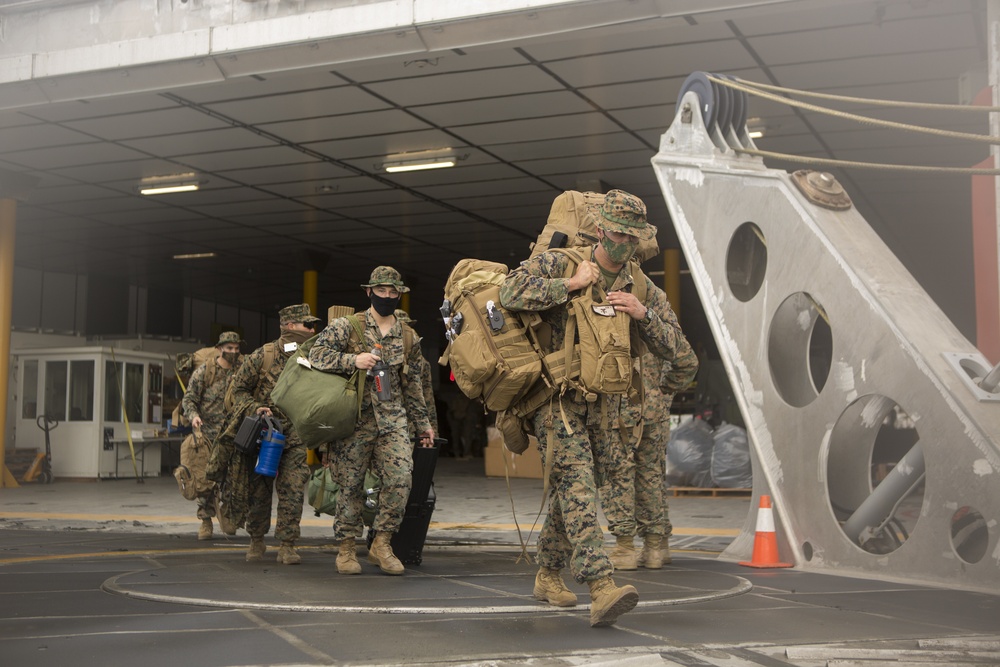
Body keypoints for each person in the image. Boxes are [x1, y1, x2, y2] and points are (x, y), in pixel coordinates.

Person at [498, 189, 689, 627]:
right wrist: (569, 286)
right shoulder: (562, 262)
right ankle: (601, 586)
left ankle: (548, 574)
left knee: (576, 497)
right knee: (579, 487)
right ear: (601, 228)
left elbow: (677, 349)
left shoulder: (642, 285)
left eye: (632, 237)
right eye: (617, 233)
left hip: (610, 408)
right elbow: (510, 290)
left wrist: (644, 314)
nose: (624, 244)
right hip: (558, 401)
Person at [308, 267, 435, 576]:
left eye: (394, 292)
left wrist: (424, 424)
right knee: (350, 485)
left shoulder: (407, 335)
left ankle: (382, 542)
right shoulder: (347, 327)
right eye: (382, 291)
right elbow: (315, 355)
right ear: (369, 292)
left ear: (400, 295)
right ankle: (346, 548)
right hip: (354, 420)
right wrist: (353, 360)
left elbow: (414, 384)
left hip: (393, 420)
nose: (387, 297)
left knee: (401, 478)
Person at [228, 303, 321, 565]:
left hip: (295, 436)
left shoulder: (313, 355)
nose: (312, 329)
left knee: (292, 489)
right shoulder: (263, 356)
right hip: (265, 436)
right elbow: (238, 390)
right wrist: (254, 407)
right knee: (259, 491)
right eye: (307, 325)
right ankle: (256, 539)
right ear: (290, 326)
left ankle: (287, 545)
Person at [602, 350, 698, 570]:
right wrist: (662, 391)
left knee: (618, 477)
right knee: (651, 475)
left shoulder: (606, 315)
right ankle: (655, 547)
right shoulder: (655, 316)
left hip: (617, 408)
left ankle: (625, 548)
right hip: (653, 409)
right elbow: (686, 360)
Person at [180, 331, 243, 540]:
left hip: (233, 436)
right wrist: (194, 416)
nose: (233, 352)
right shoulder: (204, 372)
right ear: (219, 349)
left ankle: (227, 516)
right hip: (207, 436)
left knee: (233, 480)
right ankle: (206, 522)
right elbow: (189, 400)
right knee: (205, 480)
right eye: (229, 348)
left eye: (236, 348)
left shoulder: (242, 371)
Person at [394, 309, 440, 442]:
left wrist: (432, 429)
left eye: (406, 327)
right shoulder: (376, 356)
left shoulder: (421, 362)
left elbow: (427, 397)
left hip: (411, 424)